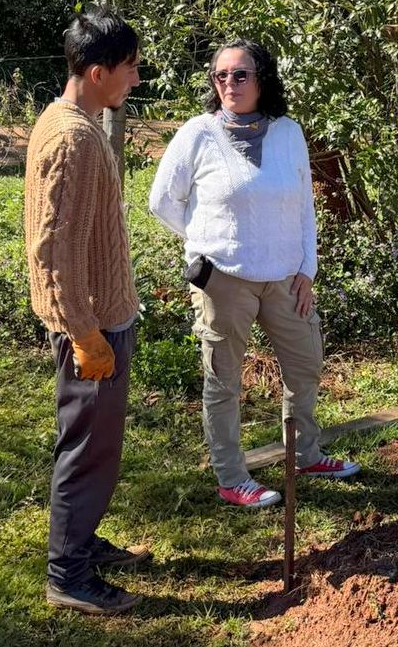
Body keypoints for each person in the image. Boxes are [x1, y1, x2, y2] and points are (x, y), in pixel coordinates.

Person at [149, 38, 358, 509]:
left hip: (285, 278)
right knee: (223, 380)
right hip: (224, 280)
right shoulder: (198, 133)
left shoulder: (288, 133)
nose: (229, 84)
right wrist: (206, 243)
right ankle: (231, 476)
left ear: (262, 78)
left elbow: (305, 206)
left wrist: (307, 268)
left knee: (305, 365)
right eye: (220, 76)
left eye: (240, 74)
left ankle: (304, 453)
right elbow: (162, 202)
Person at [24, 8, 151, 616]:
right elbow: (53, 249)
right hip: (92, 326)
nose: (135, 77)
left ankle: (82, 542)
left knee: (95, 445)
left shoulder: (74, 120)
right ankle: (67, 574)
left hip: (101, 316)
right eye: (128, 68)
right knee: (87, 448)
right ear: (98, 72)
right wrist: (85, 334)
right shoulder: (72, 138)